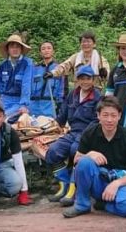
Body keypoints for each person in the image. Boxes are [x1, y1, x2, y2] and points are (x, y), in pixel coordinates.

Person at [62, 96, 126, 218]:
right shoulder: (89, 133)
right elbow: (76, 161)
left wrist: (116, 183)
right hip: (98, 181)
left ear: (119, 116)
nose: (109, 120)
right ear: (98, 115)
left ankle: (103, 205)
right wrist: (90, 154)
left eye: (113, 115)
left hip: (121, 183)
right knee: (84, 162)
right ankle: (82, 205)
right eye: (105, 115)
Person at [44, 65, 101, 206]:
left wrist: (86, 136)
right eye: (82, 78)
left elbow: (96, 121)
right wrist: (54, 125)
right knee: (53, 150)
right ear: (77, 80)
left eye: (88, 78)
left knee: (76, 151)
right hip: (72, 131)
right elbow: (63, 115)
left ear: (93, 80)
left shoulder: (98, 97)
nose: (85, 82)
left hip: (87, 133)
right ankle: (63, 186)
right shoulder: (72, 94)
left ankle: (73, 189)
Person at [44, 31, 110, 89]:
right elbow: (64, 66)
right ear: (80, 44)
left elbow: (108, 75)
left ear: (94, 44)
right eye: (83, 42)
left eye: (88, 42)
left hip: (95, 92)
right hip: (78, 92)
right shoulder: (75, 57)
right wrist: (52, 73)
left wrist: (105, 73)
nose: (86, 44)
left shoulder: (100, 59)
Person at [0, 33, 34, 123]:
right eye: (12, 47)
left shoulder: (27, 63)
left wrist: (24, 104)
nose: (15, 49)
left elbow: (26, 84)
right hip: (5, 99)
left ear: (21, 49)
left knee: (5, 120)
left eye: (17, 47)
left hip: (19, 100)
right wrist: (1, 97)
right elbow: (0, 83)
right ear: (8, 49)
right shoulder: (2, 65)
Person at [30, 41, 65, 118]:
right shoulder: (34, 68)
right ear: (40, 52)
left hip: (50, 105)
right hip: (34, 105)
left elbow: (62, 89)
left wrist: (60, 105)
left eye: (49, 48)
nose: (46, 50)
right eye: (43, 49)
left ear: (53, 51)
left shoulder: (59, 69)